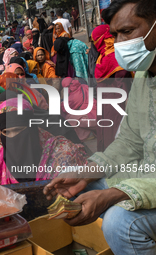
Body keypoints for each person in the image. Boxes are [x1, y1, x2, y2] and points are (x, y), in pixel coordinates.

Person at [44, 1, 156, 254]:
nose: (118, 43)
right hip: (149, 175)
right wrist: (87, 172)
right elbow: (129, 141)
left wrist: (116, 194)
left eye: (127, 31)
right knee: (80, 189)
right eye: (114, 34)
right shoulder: (143, 75)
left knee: (120, 223)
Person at [0, 98, 87, 182]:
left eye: (18, 130)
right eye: (6, 132)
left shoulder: (64, 152)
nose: (13, 137)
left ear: (31, 127)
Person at [92, 24, 132, 152]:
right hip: (118, 99)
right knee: (117, 129)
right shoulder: (115, 55)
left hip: (105, 101)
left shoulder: (102, 57)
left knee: (107, 129)